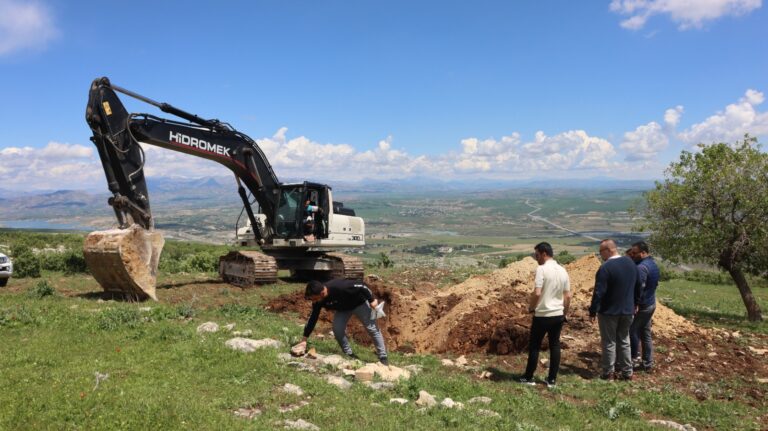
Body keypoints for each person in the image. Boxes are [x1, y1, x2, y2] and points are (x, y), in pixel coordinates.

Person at [295, 279, 389, 365]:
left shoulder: (340, 286)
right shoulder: (317, 300)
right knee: (337, 329)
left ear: (322, 293)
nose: (314, 301)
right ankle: (349, 354)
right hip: (343, 309)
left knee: (372, 328)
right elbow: (313, 317)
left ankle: (383, 356)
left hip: (359, 303)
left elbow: (362, 285)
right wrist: (304, 340)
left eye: (315, 298)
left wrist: (372, 300)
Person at [519, 242, 571, 388]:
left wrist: (531, 307)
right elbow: (567, 296)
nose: (536, 258)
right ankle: (552, 380)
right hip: (558, 314)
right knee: (555, 345)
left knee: (535, 345)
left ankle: (528, 377)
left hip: (542, 314)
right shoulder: (563, 270)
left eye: (536, 255)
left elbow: (537, 292)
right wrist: (564, 313)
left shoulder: (541, 269)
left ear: (543, 253)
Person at [589, 239, 642, 381]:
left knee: (609, 342)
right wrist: (636, 303)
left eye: (601, 252)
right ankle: (627, 373)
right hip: (627, 311)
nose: (601, 255)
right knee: (624, 341)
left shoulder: (605, 268)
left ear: (608, 250)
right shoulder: (631, 264)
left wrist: (593, 310)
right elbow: (638, 286)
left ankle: (608, 373)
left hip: (609, 312)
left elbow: (599, 292)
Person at [628, 241, 659, 372]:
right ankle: (648, 363)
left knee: (632, 331)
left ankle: (634, 358)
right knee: (645, 333)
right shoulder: (653, 264)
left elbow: (639, 287)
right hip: (651, 303)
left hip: (643, 306)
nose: (633, 255)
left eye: (635, 253)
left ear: (643, 252)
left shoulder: (641, 268)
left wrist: (636, 304)